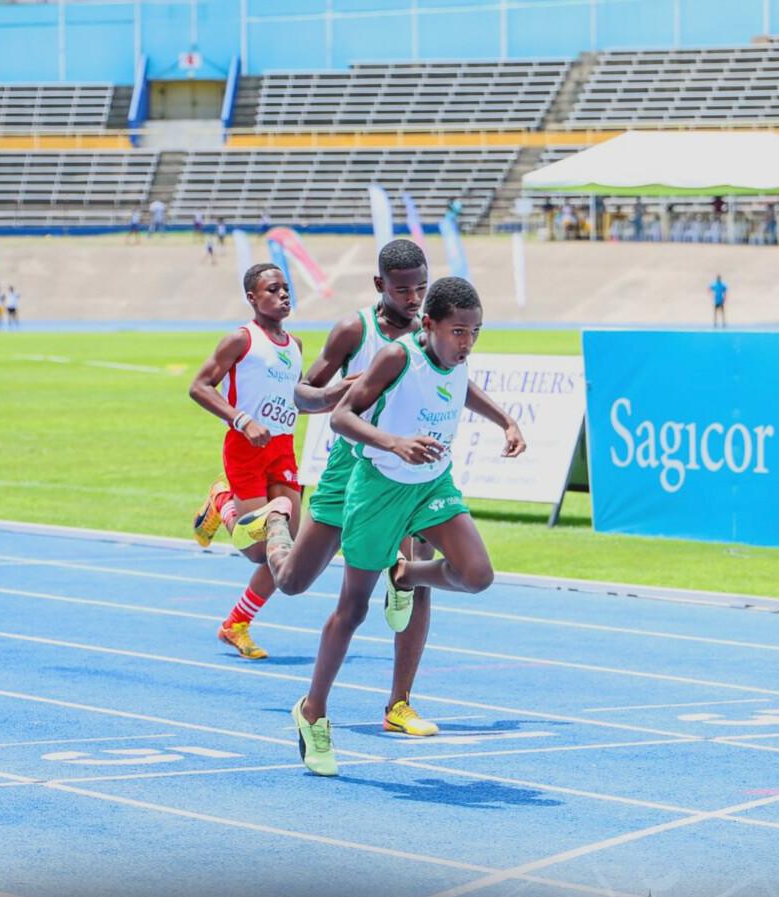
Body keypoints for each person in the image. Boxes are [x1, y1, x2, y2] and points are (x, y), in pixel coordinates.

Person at [245, 276, 526, 776]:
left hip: (431, 486)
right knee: (348, 608)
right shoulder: (396, 355)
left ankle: (407, 577)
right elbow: (340, 416)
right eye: (459, 332)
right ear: (432, 325)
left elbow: (462, 388)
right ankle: (312, 712)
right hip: (377, 486)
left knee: (477, 574)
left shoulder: (454, 355)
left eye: (475, 333)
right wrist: (393, 442)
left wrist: (505, 420)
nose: (467, 343)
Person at [204, 239, 451, 738]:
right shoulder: (352, 330)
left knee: (414, 580)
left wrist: (504, 420)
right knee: (293, 581)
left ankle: (399, 704)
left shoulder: (436, 331)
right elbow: (301, 394)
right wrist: (337, 392)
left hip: (414, 469)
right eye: (404, 290)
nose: (415, 299)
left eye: (421, 289)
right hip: (353, 468)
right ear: (381, 286)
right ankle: (267, 524)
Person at [188, 263, 351, 662]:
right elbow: (198, 386)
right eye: (272, 289)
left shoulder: (294, 345)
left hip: (282, 449)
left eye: (285, 289)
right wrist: (241, 420)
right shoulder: (240, 340)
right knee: (256, 551)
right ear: (252, 298)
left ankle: (236, 624)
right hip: (244, 446)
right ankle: (221, 501)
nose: (283, 295)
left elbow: (291, 400)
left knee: (287, 555)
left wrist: (338, 394)